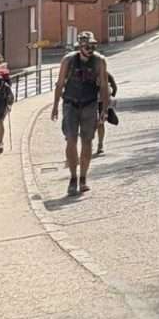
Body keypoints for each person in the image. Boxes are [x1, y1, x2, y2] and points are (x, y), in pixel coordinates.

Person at [51, 31, 110, 196]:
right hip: (70, 104)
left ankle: (83, 177)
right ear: (80, 46)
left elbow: (104, 86)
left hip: (90, 104)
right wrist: (55, 106)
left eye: (92, 46)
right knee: (70, 140)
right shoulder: (68, 61)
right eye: (86, 46)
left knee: (87, 141)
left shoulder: (100, 61)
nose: (90, 49)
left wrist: (105, 109)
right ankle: (73, 177)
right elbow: (60, 84)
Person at [96, 71, 117, 155]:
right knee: (100, 123)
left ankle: (100, 144)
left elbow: (114, 87)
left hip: (96, 102)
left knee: (99, 123)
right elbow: (114, 87)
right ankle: (99, 144)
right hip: (99, 102)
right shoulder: (105, 73)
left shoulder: (105, 74)